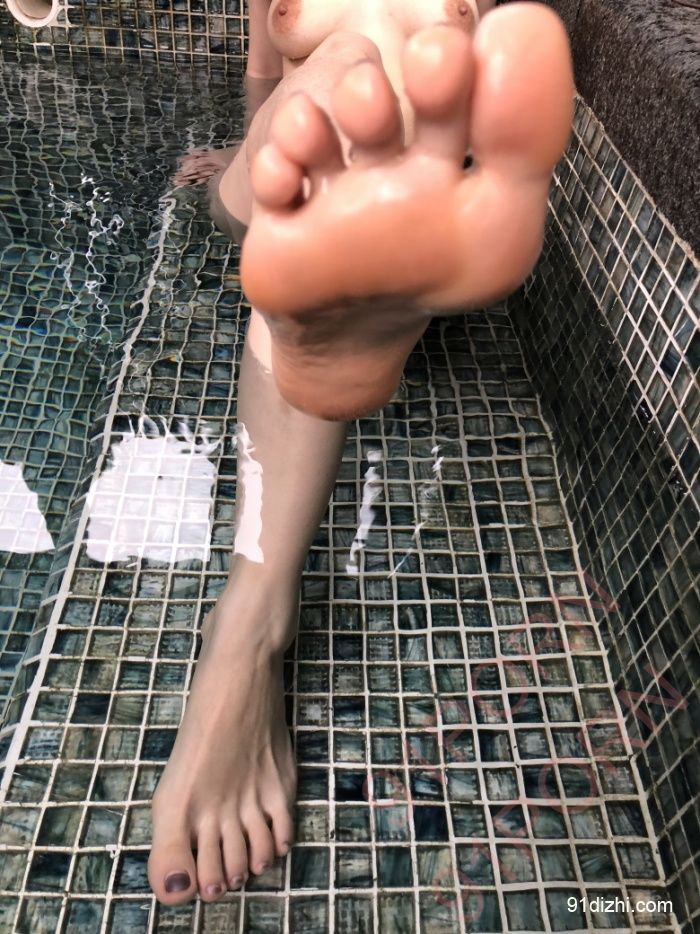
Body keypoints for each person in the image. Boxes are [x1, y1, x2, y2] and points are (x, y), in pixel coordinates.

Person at [147, 0, 574, 905]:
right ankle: (338, 262)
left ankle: (250, 621)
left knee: (351, 80)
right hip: (299, 164)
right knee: (315, 120)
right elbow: (265, 78)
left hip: (381, 152)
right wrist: (247, 150)